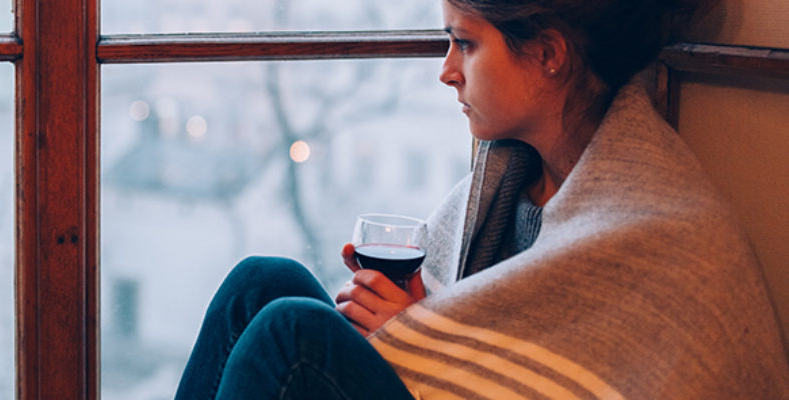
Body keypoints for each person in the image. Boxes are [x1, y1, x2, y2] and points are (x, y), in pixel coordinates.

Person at [174, 0, 789, 398]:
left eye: (465, 43)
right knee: (262, 283)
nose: (446, 71)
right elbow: (505, 343)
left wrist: (425, 336)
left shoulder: (664, 228)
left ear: (548, 54)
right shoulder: (511, 181)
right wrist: (426, 322)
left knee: (292, 334)